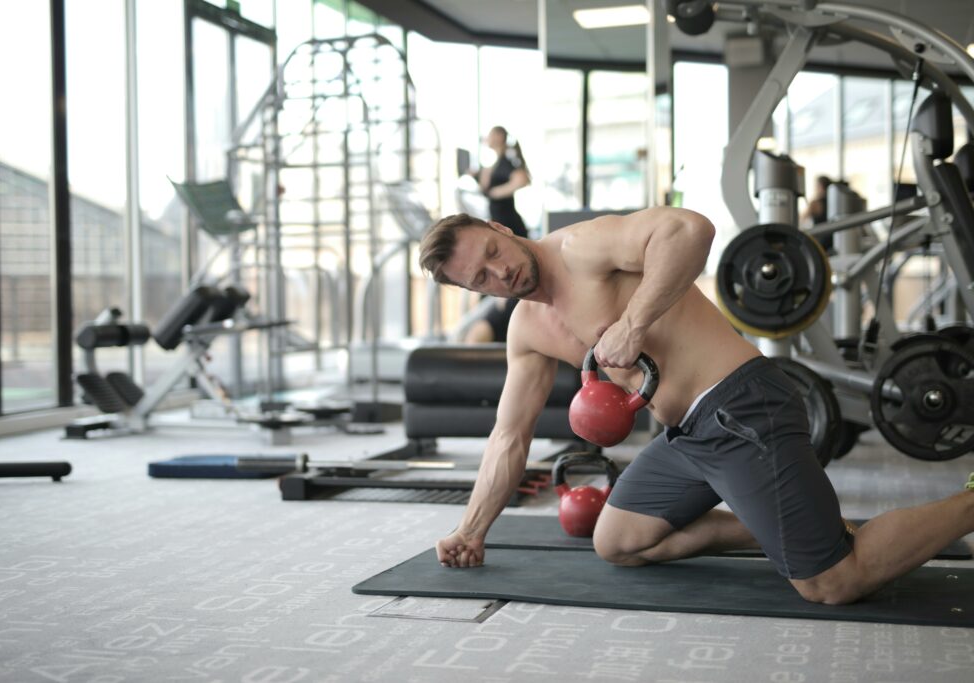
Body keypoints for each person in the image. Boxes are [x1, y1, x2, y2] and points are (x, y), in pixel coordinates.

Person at [417, 208, 974, 605]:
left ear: (500, 229)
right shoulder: (526, 331)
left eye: (493, 253)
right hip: (687, 435)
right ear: (474, 292)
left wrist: (634, 323)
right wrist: (471, 530)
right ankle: (786, 525)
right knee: (617, 543)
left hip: (741, 406)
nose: (500, 272)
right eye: (481, 278)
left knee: (831, 582)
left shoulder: (580, 248)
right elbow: (509, 436)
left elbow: (690, 230)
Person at [461, 126, 531, 343]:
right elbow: (485, 186)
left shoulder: (507, 161)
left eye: (491, 134)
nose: (488, 138)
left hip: (509, 224)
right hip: (497, 221)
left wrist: (497, 193)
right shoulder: (493, 164)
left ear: (500, 137)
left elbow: (523, 179)